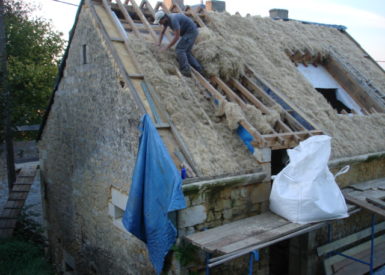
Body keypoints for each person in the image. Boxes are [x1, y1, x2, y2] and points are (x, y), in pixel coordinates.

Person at [154, 10, 203, 77]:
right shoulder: (166, 21)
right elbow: (162, 33)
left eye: (160, 21)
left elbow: (177, 37)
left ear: (164, 18)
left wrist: (167, 47)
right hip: (190, 32)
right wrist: (158, 43)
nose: (160, 23)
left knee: (180, 49)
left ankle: (185, 70)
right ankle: (198, 69)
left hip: (191, 32)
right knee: (187, 52)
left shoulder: (174, 20)